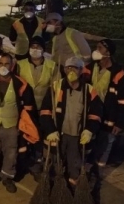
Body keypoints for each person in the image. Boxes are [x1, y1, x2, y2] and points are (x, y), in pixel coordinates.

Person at [40, 56, 103, 185]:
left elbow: (96, 114)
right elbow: (45, 111)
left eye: (75, 68)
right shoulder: (56, 87)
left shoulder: (89, 90)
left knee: (75, 162)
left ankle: (74, 185)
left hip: (76, 135)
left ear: (81, 71)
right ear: (64, 69)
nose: (71, 71)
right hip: (58, 134)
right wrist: (50, 130)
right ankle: (57, 185)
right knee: (56, 160)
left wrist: (89, 130)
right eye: (69, 68)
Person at [0, 53, 38, 193]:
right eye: (1, 63)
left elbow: (29, 107)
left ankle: (8, 176)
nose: (3, 66)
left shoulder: (21, 83)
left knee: (11, 153)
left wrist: (24, 125)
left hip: (12, 125)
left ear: (12, 66)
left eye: (7, 64)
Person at [15, 36, 58, 177]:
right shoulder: (20, 64)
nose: (35, 50)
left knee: (40, 136)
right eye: (32, 46)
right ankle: (24, 163)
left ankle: (39, 162)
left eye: (38, 47)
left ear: (43, 50)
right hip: (26, 110)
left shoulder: (52, 66)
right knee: (25, 135)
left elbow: (56, 89)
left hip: (43, 109)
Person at [85, 39, 124, 168]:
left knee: (105, 143)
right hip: (91, 113)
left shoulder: (118, 73)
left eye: (99, 48)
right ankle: (87, 166)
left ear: (108, 52)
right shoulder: (90, 68)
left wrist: (119, 122)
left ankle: (99, 169)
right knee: (88, 142)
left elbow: (122, 100)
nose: (96, 51)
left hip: (108, 115)